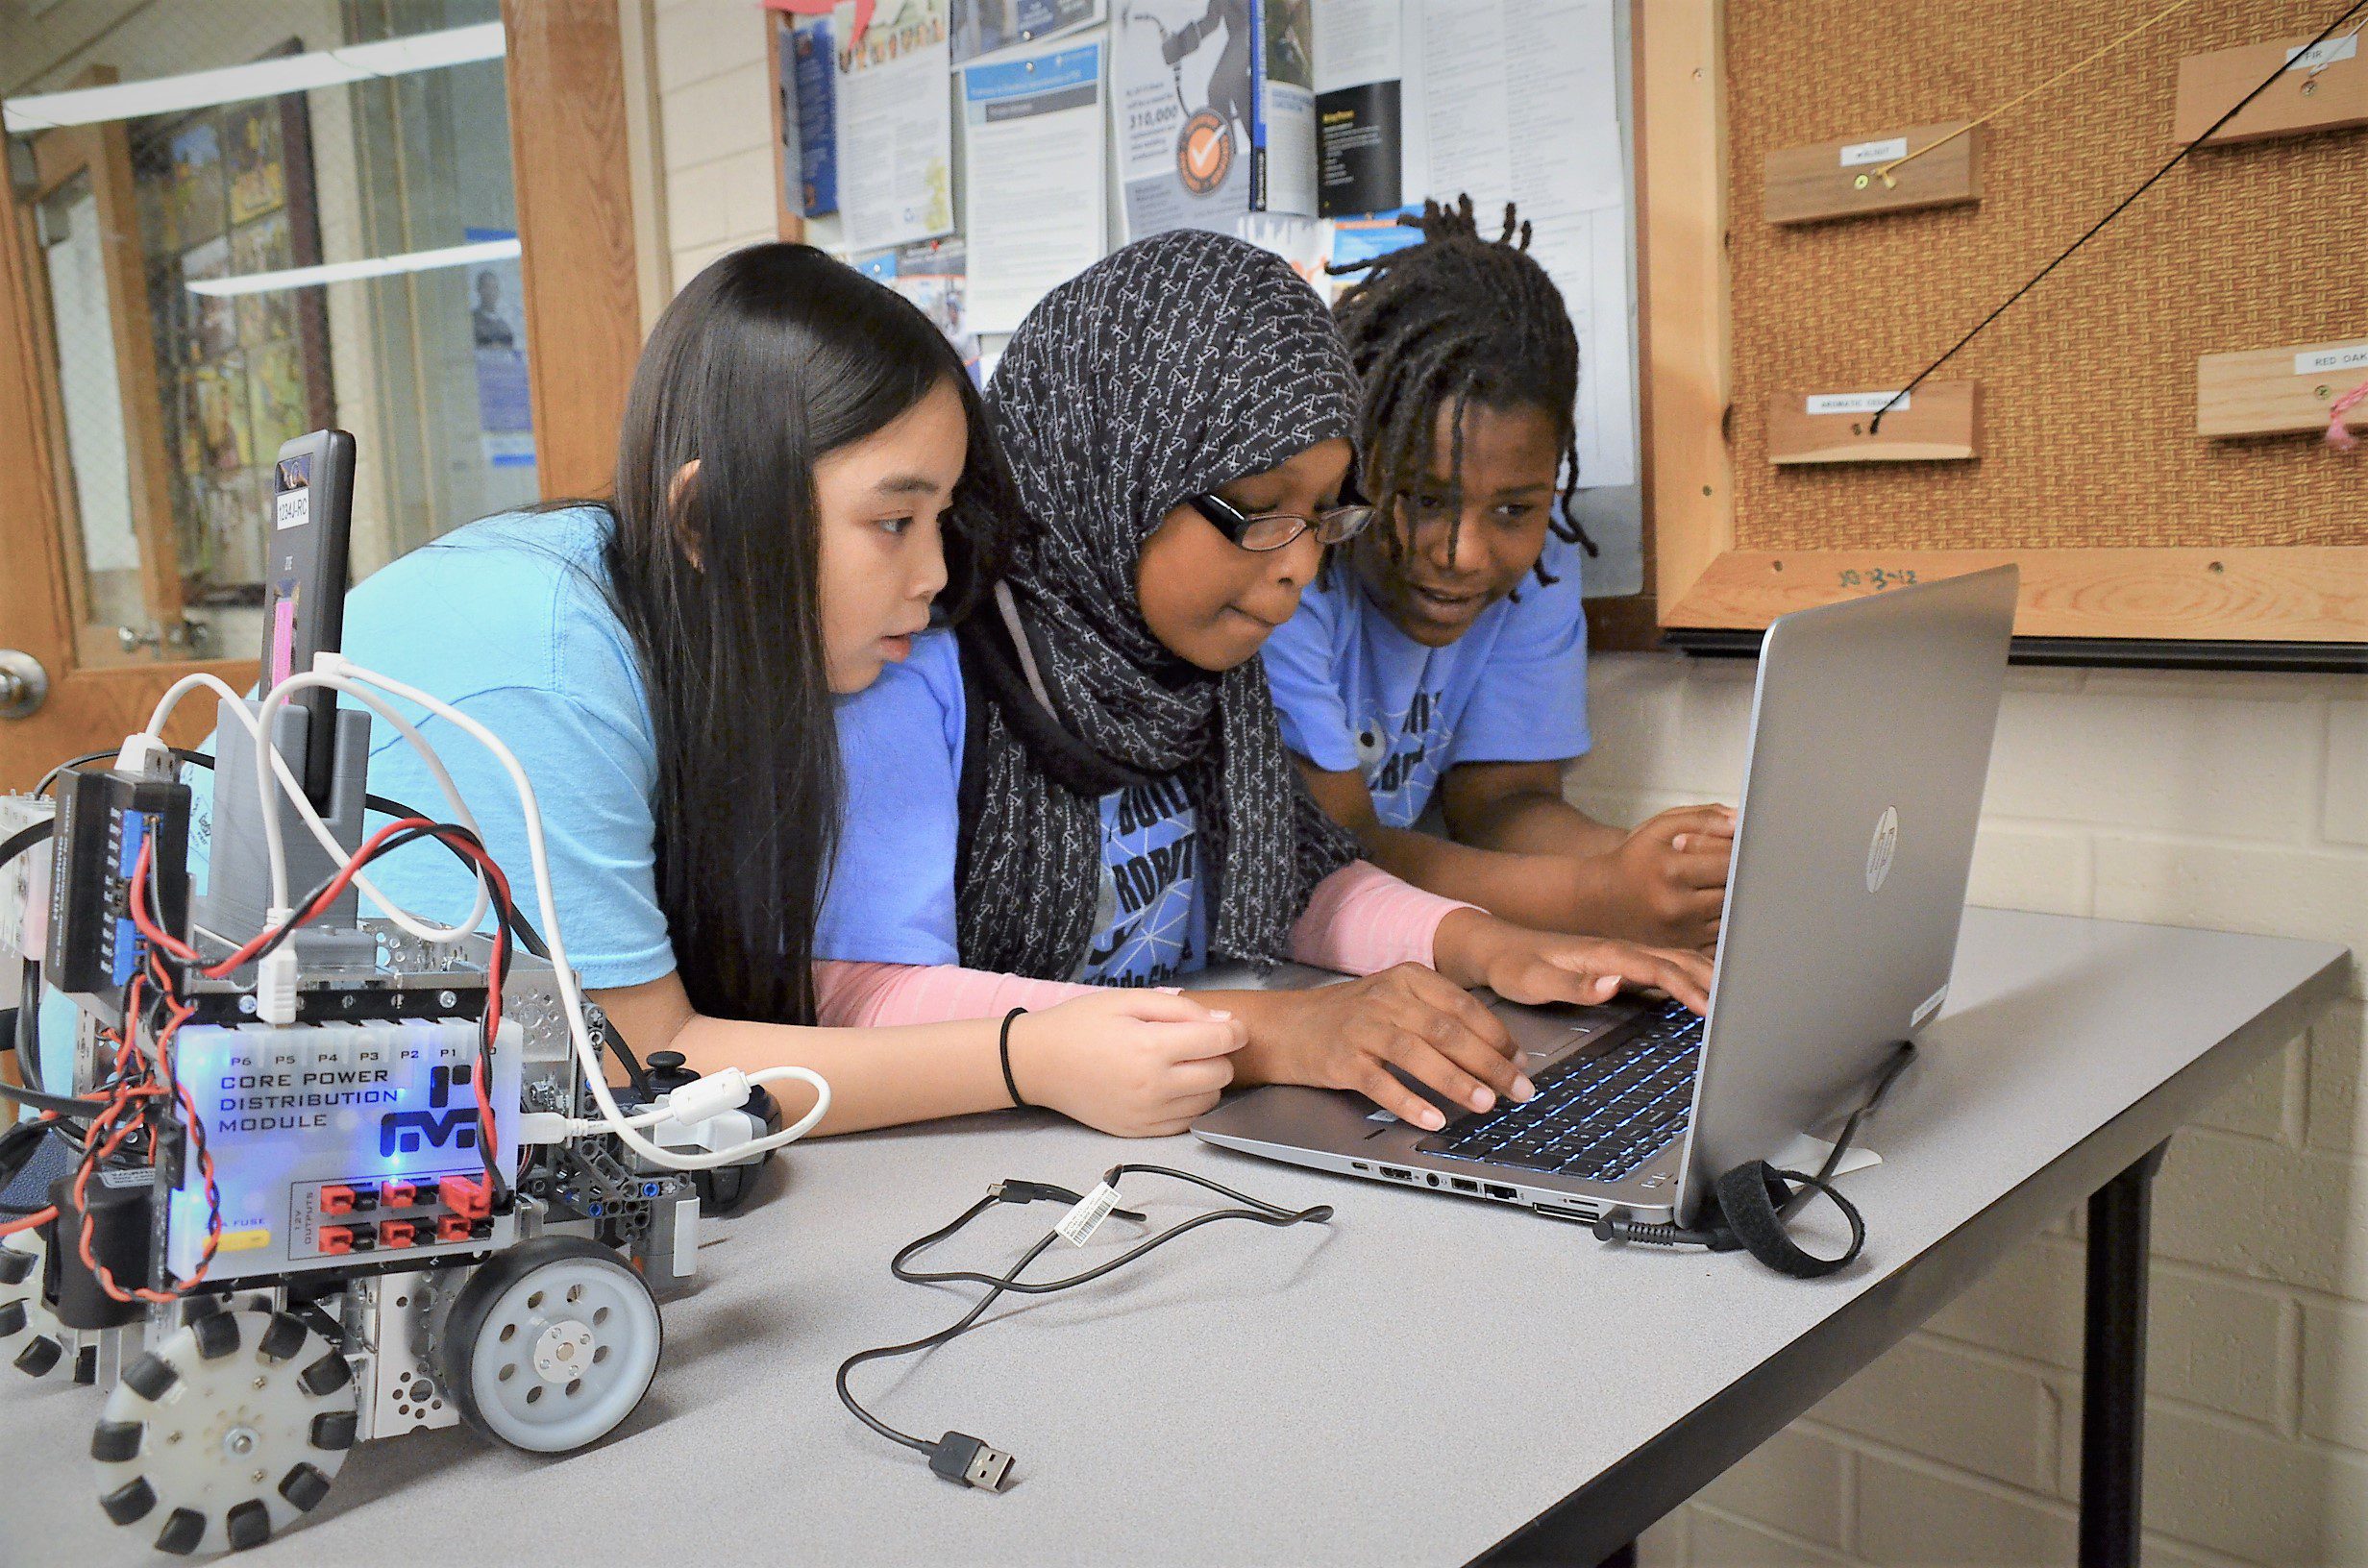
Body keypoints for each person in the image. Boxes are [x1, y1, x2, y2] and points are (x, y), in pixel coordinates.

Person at [333, 244, 1246, 1139]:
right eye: (893, 521)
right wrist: (1027, 1059)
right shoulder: (550, 660)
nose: (932, 574)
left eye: (941, 518)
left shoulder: (688, 628)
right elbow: (632, 1067)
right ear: (710, 519)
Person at [816, 230, 1710, 1133]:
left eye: (1323, 514)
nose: (1299, 564)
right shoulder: (915, 679)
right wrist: (1269, 1033)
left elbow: (1298, 884)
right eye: (1256, 511)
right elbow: (865, 1000)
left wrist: (1487, 945)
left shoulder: (1200, 660)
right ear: (1119, 465)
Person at [1263, 199, 1736, 952]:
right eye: (1422, 499)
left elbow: (1504, 803)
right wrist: (1596, 896)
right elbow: (1338, 843)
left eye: (1514, 509)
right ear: (1359, 458)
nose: (1464, 555)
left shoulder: (1539, 571)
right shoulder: (1292, 577)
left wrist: (1661, 870)